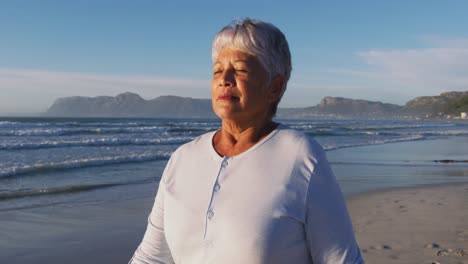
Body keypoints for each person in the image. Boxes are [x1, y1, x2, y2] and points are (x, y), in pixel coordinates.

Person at [129, 18, 363, 264]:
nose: (224, 79)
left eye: (240, 69)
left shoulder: (301, 156)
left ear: (275, 87)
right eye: (217, 70)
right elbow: (150, 257)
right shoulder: (183, 158)